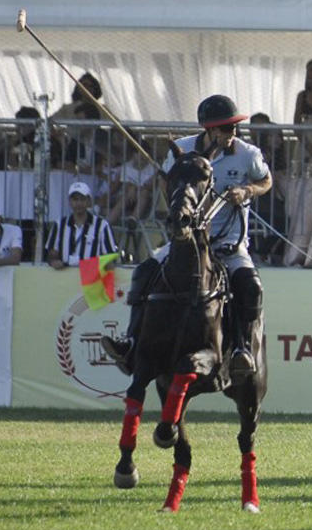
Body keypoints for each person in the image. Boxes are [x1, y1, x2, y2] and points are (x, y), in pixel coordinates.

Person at [101, 94, 271, 384]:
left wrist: (247, 191)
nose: (232, 134)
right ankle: (130, 342)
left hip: (228, 243)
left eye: (233, 128)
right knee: (143, 272)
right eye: (226, 128)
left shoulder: (247, 154)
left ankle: (242, 348)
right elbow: (167, 181)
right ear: (209, 129)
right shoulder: (182, 149)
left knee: (251, 286)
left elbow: (266, 181)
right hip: (186, 241)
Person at [45, 181, 118, 269]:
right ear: (70, 201)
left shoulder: (102, 226)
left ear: (89, 201)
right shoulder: (59, 225)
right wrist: (54, 261)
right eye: (75, 199)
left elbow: (110, 257)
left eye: (82, 199)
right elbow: (52, 252)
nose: (79, 203)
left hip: (91, 277)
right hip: (64, 278)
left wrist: (96, 267)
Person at [247, 113, 288, 265]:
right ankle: (260, 252)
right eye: (272, 136)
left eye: (279, 136)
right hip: (259, 202)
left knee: (287, 217)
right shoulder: (259, 155)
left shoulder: (278, 156)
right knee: (280, 221)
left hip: (273, 200)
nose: (277, 140)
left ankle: (275, 253)